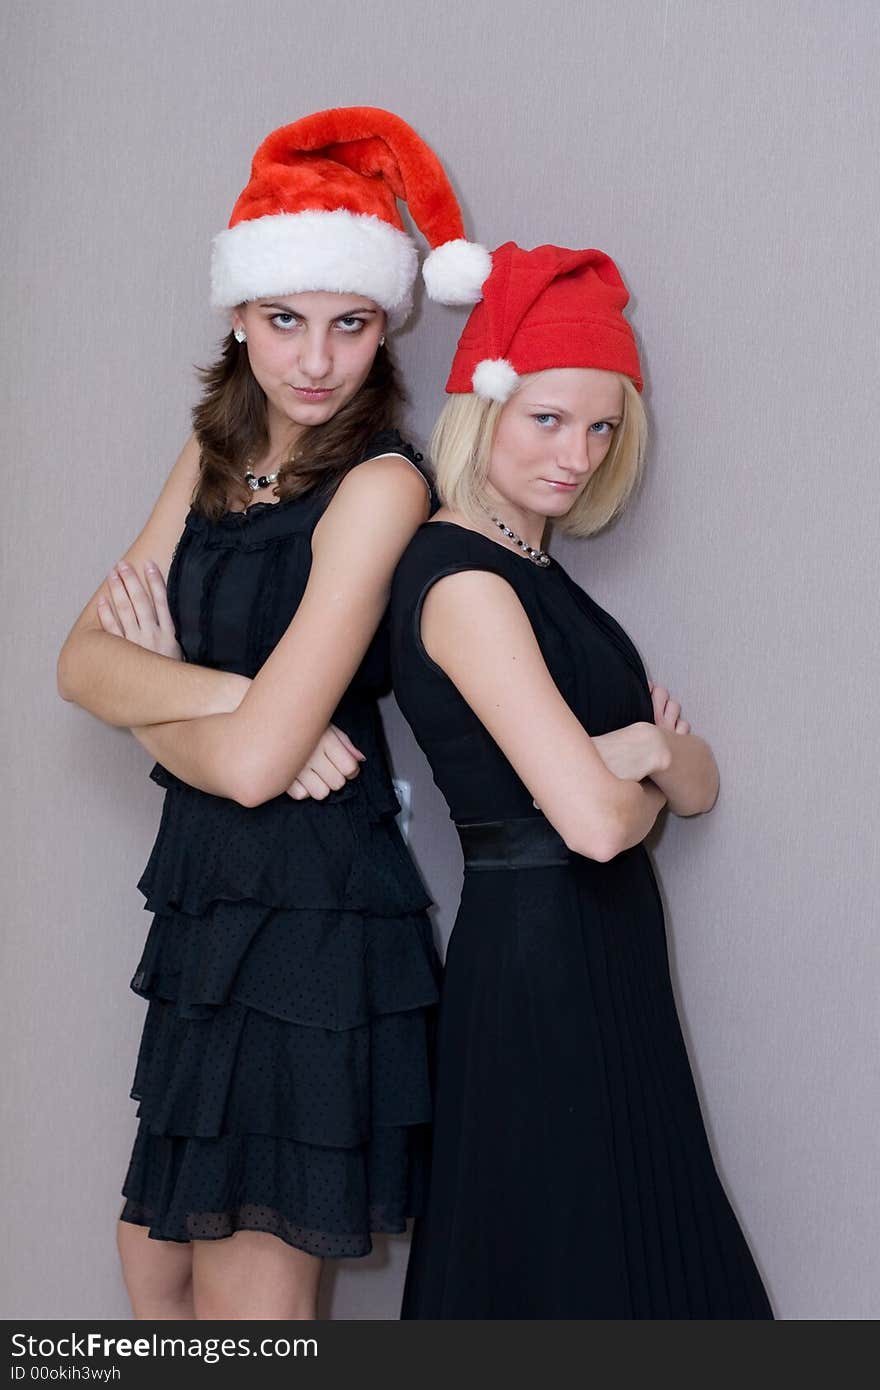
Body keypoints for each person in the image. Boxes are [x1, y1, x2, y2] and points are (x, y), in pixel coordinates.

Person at [56, 106, 490, 1321]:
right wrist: (240, 700)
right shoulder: (208, 457)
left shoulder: (384, 484)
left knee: (249, 1316)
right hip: (204, 913)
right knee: (158, 1291)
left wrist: (191, 711)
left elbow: (248, 771)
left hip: (313, 922)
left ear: (382, 326)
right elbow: (77, 665)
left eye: (348, 323)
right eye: (284, 319)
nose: (314, 359)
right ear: (238, 316)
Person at [389, 242, 774, 1318]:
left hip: (600, 951)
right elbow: (599, 827)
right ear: (484, 407)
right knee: (565, 1269)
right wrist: (626, 771)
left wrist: (644, 758)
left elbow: (691, 786)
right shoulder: (461, 578)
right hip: (536, 966)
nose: (579, 453)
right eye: (548, 419)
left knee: (633, 1256)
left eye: (602, 427)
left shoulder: (536, 572)